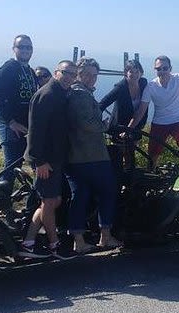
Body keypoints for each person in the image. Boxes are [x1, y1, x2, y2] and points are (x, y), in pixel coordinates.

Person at [19, 61, 78, 259]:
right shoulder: (48, 95)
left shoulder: (60, 93)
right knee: (50, 201)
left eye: (73, 74)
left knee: (52, 201)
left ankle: (28, 242)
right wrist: (39, 161)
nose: (69, 77)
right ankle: (54, 245)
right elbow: (35, 131)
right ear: (56, 73)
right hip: (46, 161)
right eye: (65, 73)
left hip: (54, 159)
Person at [65, 58, 123, 253]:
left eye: (94, 75)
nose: (91, 78)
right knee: (107, 192)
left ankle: (79, 240)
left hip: (77, 155)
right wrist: (105, 126)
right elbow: (86, 123)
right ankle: (104, 237)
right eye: (86, 74)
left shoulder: (75, 92)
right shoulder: (80, 94)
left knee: (80, 196)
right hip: (91, 155)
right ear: (78, 74)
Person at [0, 34, 38, 201]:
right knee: (11, 168)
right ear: (14, 49)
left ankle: (33, 204)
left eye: (29, 47)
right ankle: (3, 207)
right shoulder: (7, 69)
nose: (25, 50)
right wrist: (11, 122)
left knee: (36, 164)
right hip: (11, 127)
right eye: (21, 47)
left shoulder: (30, 71)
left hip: (27, 127)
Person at [99, 59, 148, 171]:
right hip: (119, 127)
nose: (134, 75)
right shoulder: (120, 87)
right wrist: (94, 120)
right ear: (126, 73)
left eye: (137, 71)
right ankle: (119, 180)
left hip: (135, 126)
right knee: (119, 155)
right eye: (131, 71)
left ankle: (129, 180)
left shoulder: (143, 83)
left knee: (130, 154)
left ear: (141, 72)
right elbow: (103, 103)